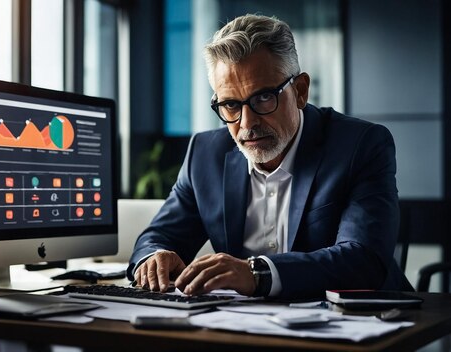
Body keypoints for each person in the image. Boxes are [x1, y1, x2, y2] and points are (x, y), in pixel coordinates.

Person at [127, 14, 413, 299]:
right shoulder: (205, 154)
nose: (247, 123)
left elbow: (363, 260)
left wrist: (257, 274)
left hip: (360, 325)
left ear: (300, 91)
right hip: (243, 327)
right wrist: (155, 257)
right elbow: (157, 238)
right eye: (230, 105)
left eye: (264, 97)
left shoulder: (359, 145)